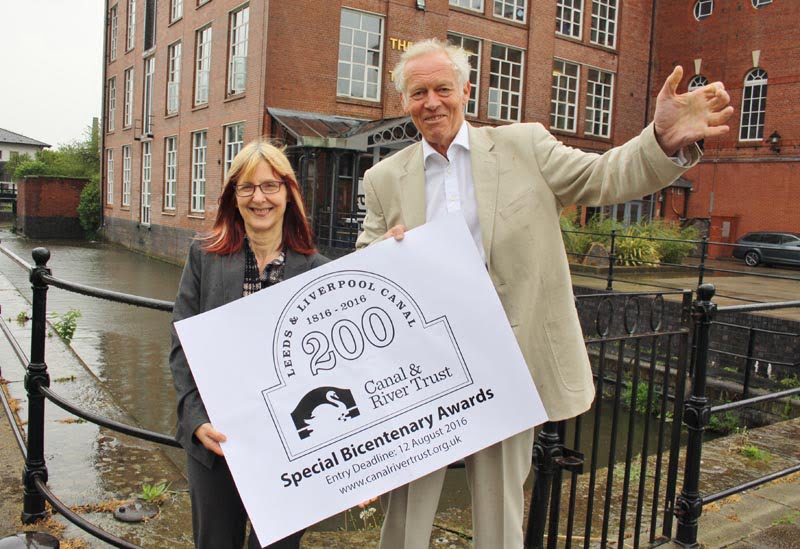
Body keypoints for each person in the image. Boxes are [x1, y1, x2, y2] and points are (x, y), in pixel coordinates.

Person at [355, 39, 733, 548]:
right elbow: (363, 275)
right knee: (407, 509)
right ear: (403, 101)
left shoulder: (525, 146)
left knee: (500, 507)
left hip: (508, 359)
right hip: (424, 369)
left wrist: (659, 140)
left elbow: (603, 177)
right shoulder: (383, 178)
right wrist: (380, 252)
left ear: (467, 90)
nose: (432, 102)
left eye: (443, 88)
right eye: (418, 91)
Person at [169, 139, 329, 548]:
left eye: (271, 186)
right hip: (217, 442)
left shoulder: (317, 271)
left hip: (290, 448)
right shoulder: (204, 256)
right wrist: (195, 419)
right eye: (247, 187)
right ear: (233, 197)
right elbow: (181, 345)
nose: (260, 197)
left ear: (289, 194)